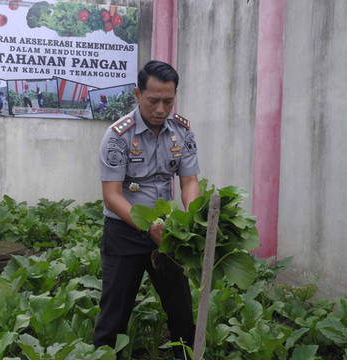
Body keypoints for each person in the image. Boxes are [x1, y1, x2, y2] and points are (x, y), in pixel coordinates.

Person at [94, 60, 200, 359]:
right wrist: (147, 226)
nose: (161, 109)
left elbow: (189, 182)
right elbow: (112, 196)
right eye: (153, 100)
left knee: (180, 309)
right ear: (137, 94)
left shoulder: (182, 131)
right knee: (113, 316)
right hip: (124, 232)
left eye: (168, 100)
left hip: (167, 233)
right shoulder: (117, 136)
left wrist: (191, 221)